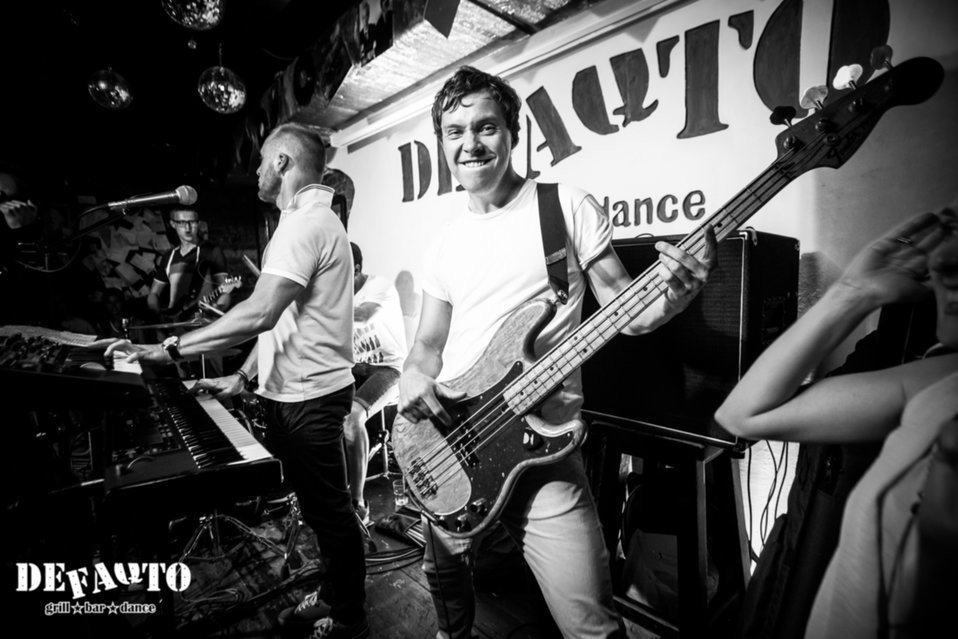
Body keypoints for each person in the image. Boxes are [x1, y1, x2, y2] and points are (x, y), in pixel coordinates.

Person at [398, 66, 717, 639]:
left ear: (513, 132)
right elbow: (428, 343)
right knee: (444, 584)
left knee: (591, 626)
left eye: (486, 127)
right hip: (455, 438)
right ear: (442, 143)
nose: (470, 144)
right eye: (454, 132)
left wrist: (673, 300)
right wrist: (413, 375)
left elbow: (627, 310)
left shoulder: (564, 205)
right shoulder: (442, 244)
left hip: (541, 449)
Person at [105, 122, 369, 639]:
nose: (256, 171)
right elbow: (284, 325)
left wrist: (169, 348)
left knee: (331, 516)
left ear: (283, 162)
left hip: (310, 398)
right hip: (299, 393)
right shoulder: (306, 221)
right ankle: (335, 594)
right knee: (322, 513)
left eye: (262, 160)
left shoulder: (306, 224)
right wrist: (242, 377)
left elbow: (259, 314)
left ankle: (349, 618)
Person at [714, 206, 958, 639]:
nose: (943, 259)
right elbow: (741, 415)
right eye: (951, 231)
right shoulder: (939, 380)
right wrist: (853, 292)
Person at [346, 241, 407, 525]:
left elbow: (363, 314)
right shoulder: (337, 294)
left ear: (357, 269)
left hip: (389, 369)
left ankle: (358, 503)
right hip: (356, 367)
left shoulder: (379, 285)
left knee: (352, 419)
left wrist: (317, 308)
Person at [147, 207, 231, 320]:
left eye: (192, 222)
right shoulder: (168, 256)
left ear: (198, 223)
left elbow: (225, 291)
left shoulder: (212, 251)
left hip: (203, 321)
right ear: (173, 224)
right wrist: (157, 313)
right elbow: (154, 294)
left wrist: (218, 307)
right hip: (175, 322)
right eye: (182, 223)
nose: (188, 228)